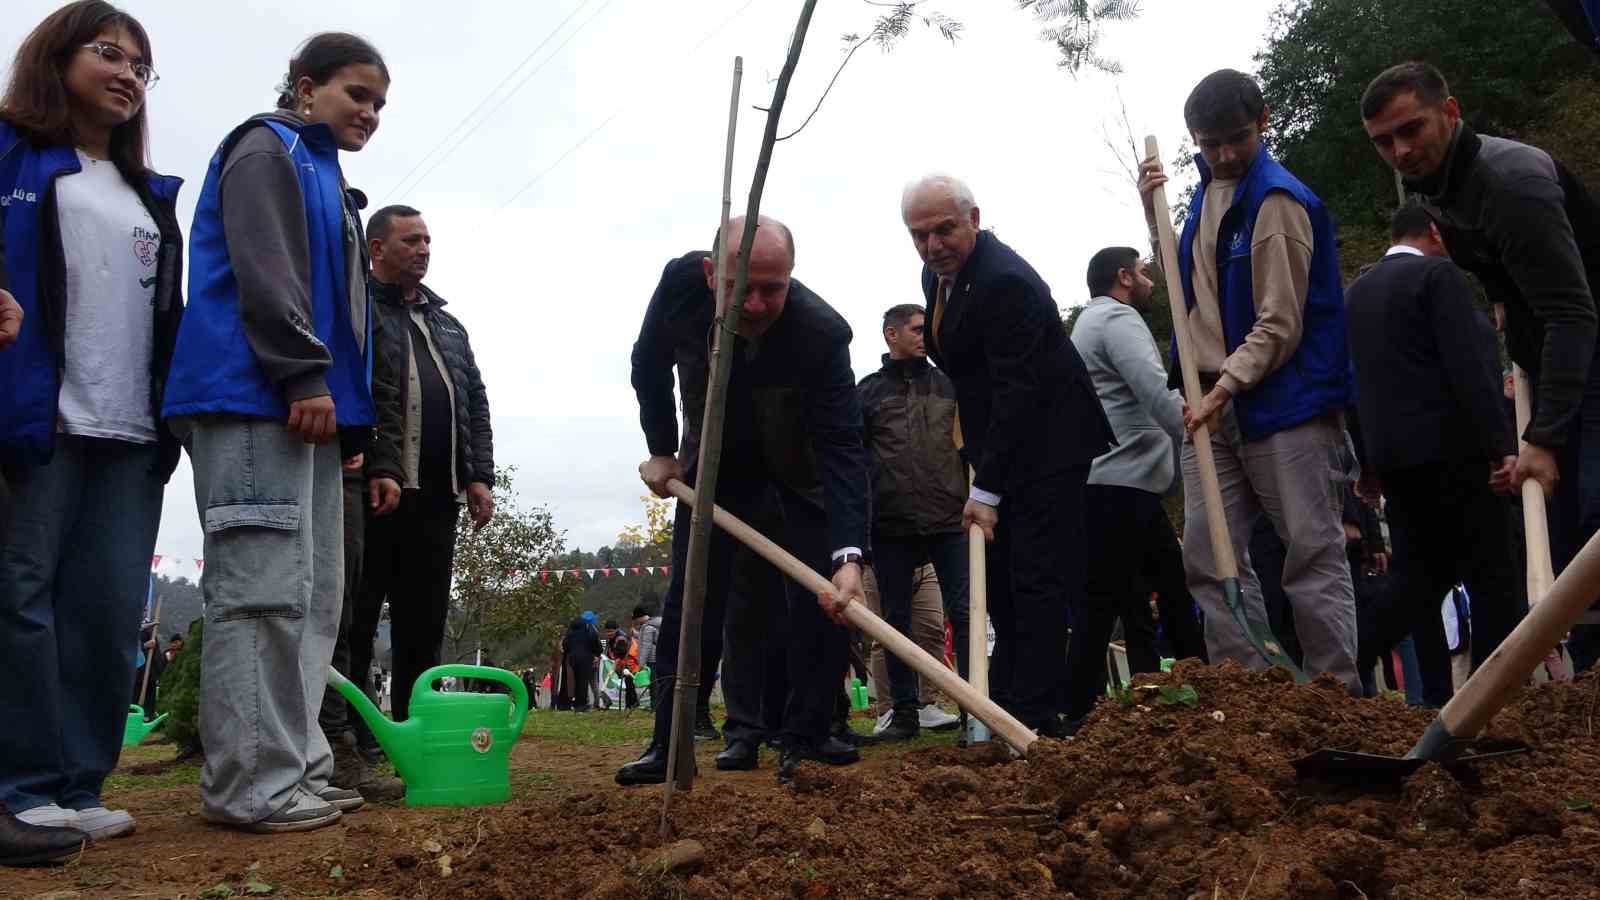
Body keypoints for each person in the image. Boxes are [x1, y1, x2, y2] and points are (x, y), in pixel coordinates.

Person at [160, 32, 390, 834]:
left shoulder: (327, 175)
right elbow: (266, 271)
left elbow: (339, 303)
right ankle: (250, 783)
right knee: (260, 592)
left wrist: (351, 416)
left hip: (314, 413)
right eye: (355, 94)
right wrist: (301, 371)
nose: (369, 113)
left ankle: (297, 766)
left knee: (312, 594)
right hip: (253, 394)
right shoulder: (269, 150)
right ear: (304, 86)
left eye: (379, 104)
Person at [0, 0, 182, 845]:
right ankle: (20, 786)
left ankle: (77, 783)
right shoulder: (10, 152)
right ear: (57, 54)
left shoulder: (150, 195)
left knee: (107, 612)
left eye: (141, 67)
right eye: (109, 53)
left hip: (131, 434)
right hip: (35, 420)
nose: (127, 75)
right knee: (22, 601)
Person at [1361, 62, 1600, 673]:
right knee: (1568, 531)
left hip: (1586, 340)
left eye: (1411, 129)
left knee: (1594, 509)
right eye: (1384, 142)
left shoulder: (1511, 181)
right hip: (1550, 356)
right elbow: (1510, 285)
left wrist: (1541, 439)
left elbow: (1572, 311)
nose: (1401, 150)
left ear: (1451, 111)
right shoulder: (1436, 193)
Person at [620, 214, 871, 784]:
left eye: (773, 288)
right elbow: (648, 366)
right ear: (712, 274)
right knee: (692, 607)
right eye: (741, 287)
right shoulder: (681, 288)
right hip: (713, 472)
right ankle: (670, 742)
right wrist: (662, 450)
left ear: (791, 278)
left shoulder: (822, 334)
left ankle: (805, 740)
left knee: (820, 604)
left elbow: (842, 447)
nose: (756, 304)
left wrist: (849, 556)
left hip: (798, 477)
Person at [1138, 69, 1360, 690]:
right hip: (1209, 402)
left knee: (1310, 553)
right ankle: (1248, 695)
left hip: (1282, 403)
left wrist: (1222, 389)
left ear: (1263, 120)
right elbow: (1189, 294)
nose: (1224, 155)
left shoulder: (1277, 203)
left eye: (1235, 139)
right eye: (1208, 145)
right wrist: (1149, 209)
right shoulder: (1206, 197)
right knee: (1210, 557)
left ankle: (1335, 695)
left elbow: (1279, 324)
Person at [901, 175, 1115, 736]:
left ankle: (1040, 714)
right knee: (1000, 579)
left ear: (974, 218)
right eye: (919, 235)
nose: (932, 245)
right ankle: (1013, 698)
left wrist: (986, 488)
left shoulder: (1006, 283)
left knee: (1035, 576)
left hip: (1050, 442)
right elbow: (974, 379)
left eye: (944, 229)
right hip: (1001, 437)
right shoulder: (940, 276)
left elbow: (1018, 391)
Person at [1344, 204, 1524, 704]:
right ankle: (1494, 700)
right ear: (1436, 234)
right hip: (1457, 456)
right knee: (1495, 578)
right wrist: (1499, 448)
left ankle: (1342, 661)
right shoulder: (1437, 276)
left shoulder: (1354, 296)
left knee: (1416, 583)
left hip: (1396, 464)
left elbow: (1351, 384)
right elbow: (1467, 366)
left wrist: (1369, 462)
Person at [354, 204, 495, 725]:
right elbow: (367, 392)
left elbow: (475, 402)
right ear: (376, 249)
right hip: (375, 491)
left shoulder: (449, 326)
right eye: (411, 241)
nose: (424, 250)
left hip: (439, 497)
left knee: (424, 620)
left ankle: (418, 731)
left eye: (428, 241)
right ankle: (355, 735)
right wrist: (376, 464)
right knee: (358, 616)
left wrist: (478, 476)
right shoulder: (357, 309)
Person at [1069, 247, 1208, 709]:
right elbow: (1153, 387)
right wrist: (1195, 433)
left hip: (1115, 482)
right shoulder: (1117, 321)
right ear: (1124, 277)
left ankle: (1150, 690)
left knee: (1130, 597)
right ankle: (1083, 704)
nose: (1150, 280)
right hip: (1122, 482)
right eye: (1144, 272)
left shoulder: (1087, 323)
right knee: (1145, 592)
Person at [856, 303, 971, 740]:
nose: (925, 335)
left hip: (950, 519)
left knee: (964, 613)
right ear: (891, 334)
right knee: (894, 622)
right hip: (890, 525)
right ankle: (903, 713)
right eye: (918, 329)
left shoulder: (951, 386)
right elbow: (852, 458)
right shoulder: (867, 393)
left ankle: (971, 711)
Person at [318, 452, 403, 802]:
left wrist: (380, 462)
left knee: (336, 613)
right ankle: (279, 755)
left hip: (347, 466)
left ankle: (335, 748)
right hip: (277, 450)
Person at [561, 613, 602, 713]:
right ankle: (582, 704)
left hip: (573, 659)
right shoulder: (589, 632)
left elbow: (565, 645)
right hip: (586, 659)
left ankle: (576, 704)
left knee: (576, 681)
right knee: (583, 682)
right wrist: (596, 654)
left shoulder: (570, 634)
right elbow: (596, 644)